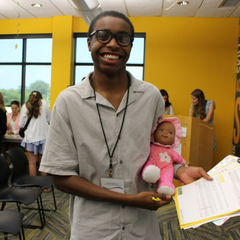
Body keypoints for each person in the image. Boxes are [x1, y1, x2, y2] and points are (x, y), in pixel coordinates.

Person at [39, 11, 213, 239]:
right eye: (103, 36)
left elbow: (155, 148)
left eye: (122, 38)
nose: (112, 44)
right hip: (93, 228)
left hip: (141, 228)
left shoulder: (150, 96)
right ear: (89, 42)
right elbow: (61, 177)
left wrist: (180, 169)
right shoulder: (68, 101)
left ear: (131, 46)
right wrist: (129, 200)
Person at [20, 91, 51, 180]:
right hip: (44, 136)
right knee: (42, 162)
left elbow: (22, 124)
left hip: (31, 137)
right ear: (40, 97)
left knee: (32, 163)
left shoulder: (25, 105)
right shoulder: (44, 103)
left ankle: (33, 186)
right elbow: (50, 119)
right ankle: (44, 186)